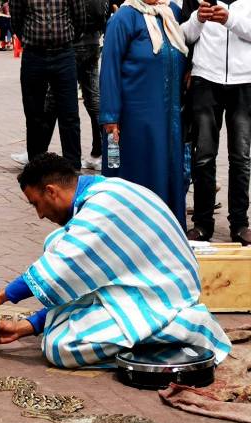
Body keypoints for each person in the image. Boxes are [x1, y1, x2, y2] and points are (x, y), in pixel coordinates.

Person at [0, 153, 230, 368]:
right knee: (56, 242)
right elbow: (77, 275)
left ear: (51, 191)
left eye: (36, 204)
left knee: (60, 346)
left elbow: (61, 268)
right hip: (139, 287)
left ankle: (181, 329)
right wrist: (28, 326)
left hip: (164, 298)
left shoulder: (103, 207)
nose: (39, 215)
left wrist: (2, 295)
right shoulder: (102, 189)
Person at [99, 0, 188, 227]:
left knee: (167, 172)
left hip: (169, 119)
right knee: (136, 175)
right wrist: (110, 117)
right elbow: (109, 67)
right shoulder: (124, 18)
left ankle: (166, 233)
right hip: (134, 121)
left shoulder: (172, 14)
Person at [182, 0, 251, 245]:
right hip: (206, 79)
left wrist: (229, 19)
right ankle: (202, 224)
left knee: (241, 157)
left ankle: (240, 224)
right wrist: (198, 19)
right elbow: (184, 36)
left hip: (244, 82)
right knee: (203, 157)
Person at [10, 0, 86, 171]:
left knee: (70, 114)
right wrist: (30, 39)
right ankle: (36, 167)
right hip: (34, 56)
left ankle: (73, 166)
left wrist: (66, 37)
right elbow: (16, 21)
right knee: (33, 114)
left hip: (64, 55)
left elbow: (80, 19)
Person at [41, 0, 109, 171]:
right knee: (93, 97)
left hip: (73, 43)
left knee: (53, 97)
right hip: (93, 42)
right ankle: (100, 151)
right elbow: (103, 11)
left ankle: (39, 150)